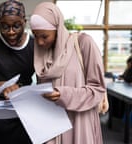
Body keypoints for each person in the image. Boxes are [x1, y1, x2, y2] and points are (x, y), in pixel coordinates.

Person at [29, 2, 105, 144]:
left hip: (78, 123)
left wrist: (64, 94)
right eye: (35, 35)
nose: (39, 42)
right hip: (51, 126)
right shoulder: (42, 54)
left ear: (57, 29)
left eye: (44, 36)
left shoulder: (83, 43)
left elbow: (97, 89)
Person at [0, 0, 34, 144]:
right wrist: (6, 86)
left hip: (25, 112)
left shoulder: (34, 46)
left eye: (16, 26)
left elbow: (44, 80)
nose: (10, 32)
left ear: (24, 22)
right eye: (4, 27)